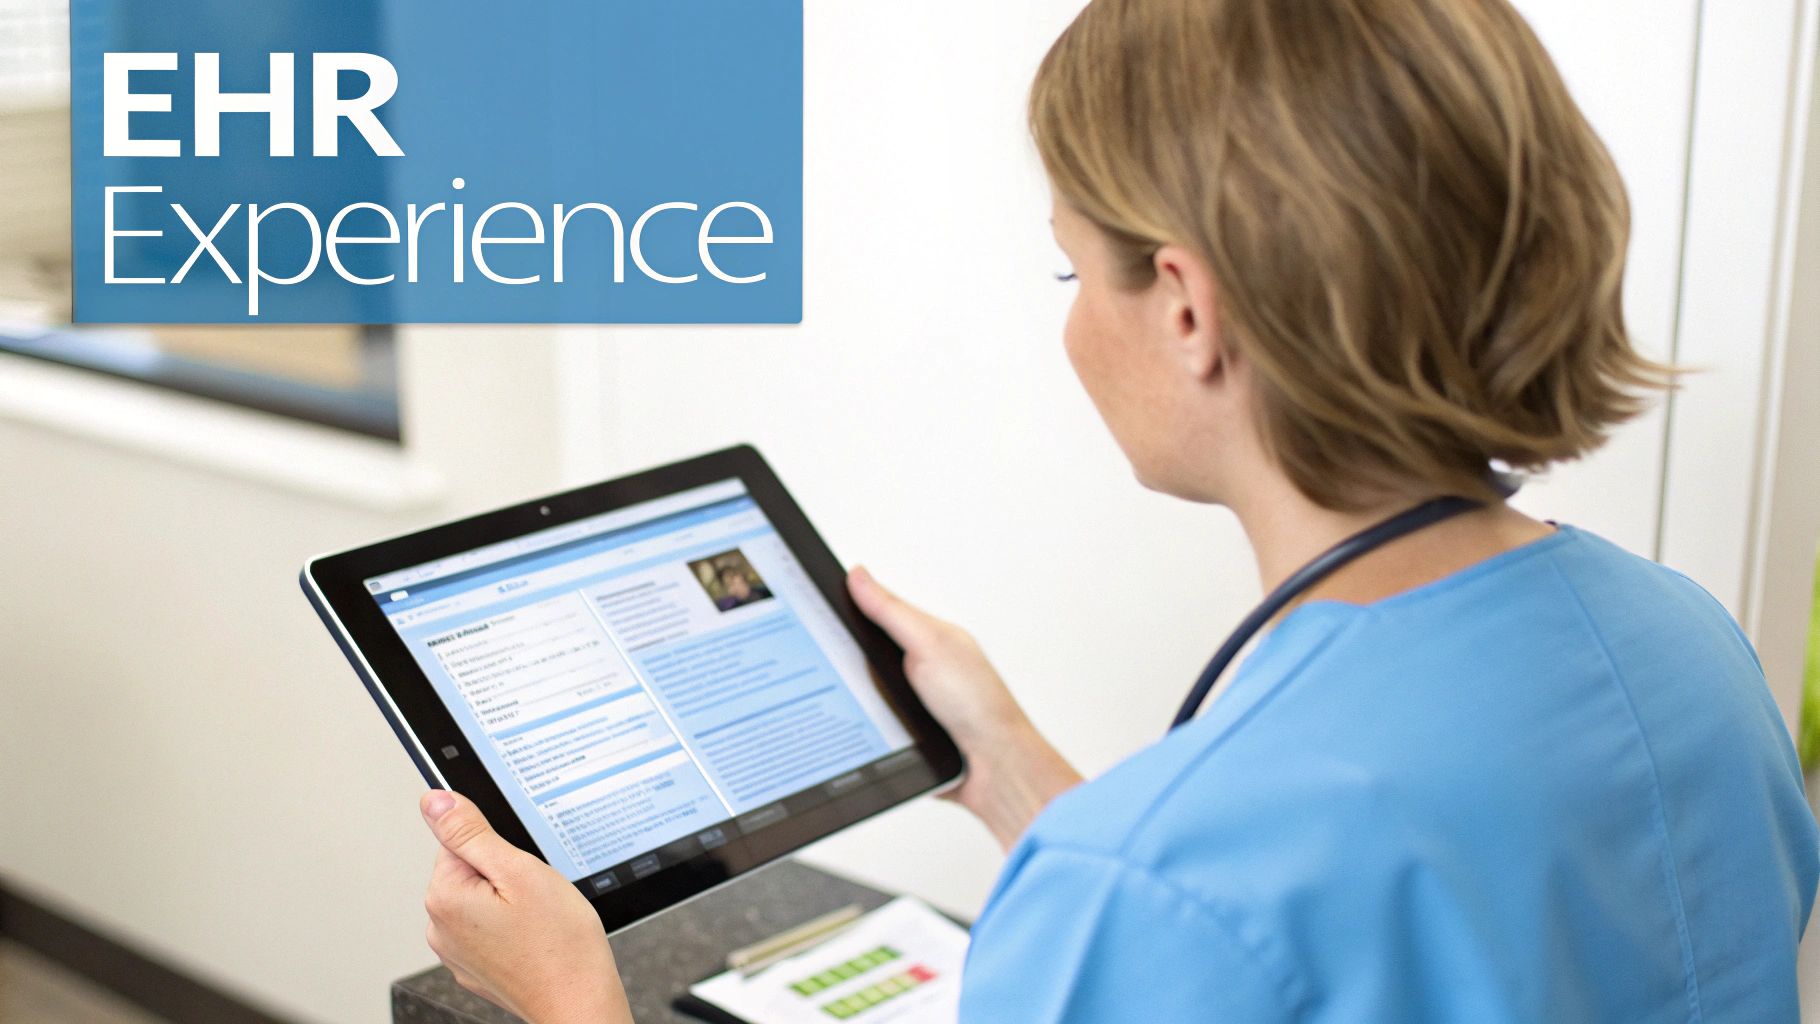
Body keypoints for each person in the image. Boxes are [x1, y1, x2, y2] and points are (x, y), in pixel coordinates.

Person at [411, 0, 1820, 1020]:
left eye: (1072, 275)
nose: (1076, 327)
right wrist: (1007, 762)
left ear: (1191, 308)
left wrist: (571, 999)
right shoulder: (1685, 646)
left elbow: (1199, 909)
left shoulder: (1151, 878)